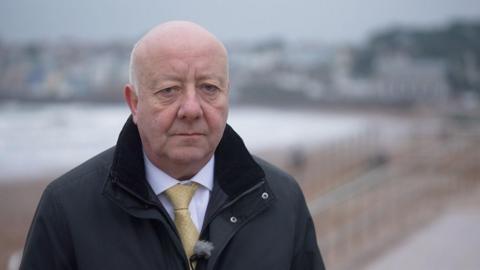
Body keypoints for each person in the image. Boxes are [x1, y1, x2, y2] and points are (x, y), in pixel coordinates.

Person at [20, 21, 325, 270]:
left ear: (227, 96)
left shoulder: (281, 199)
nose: (191, 109)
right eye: (169, 90)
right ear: (134, 102)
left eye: (209, 88)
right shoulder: (67, 208)